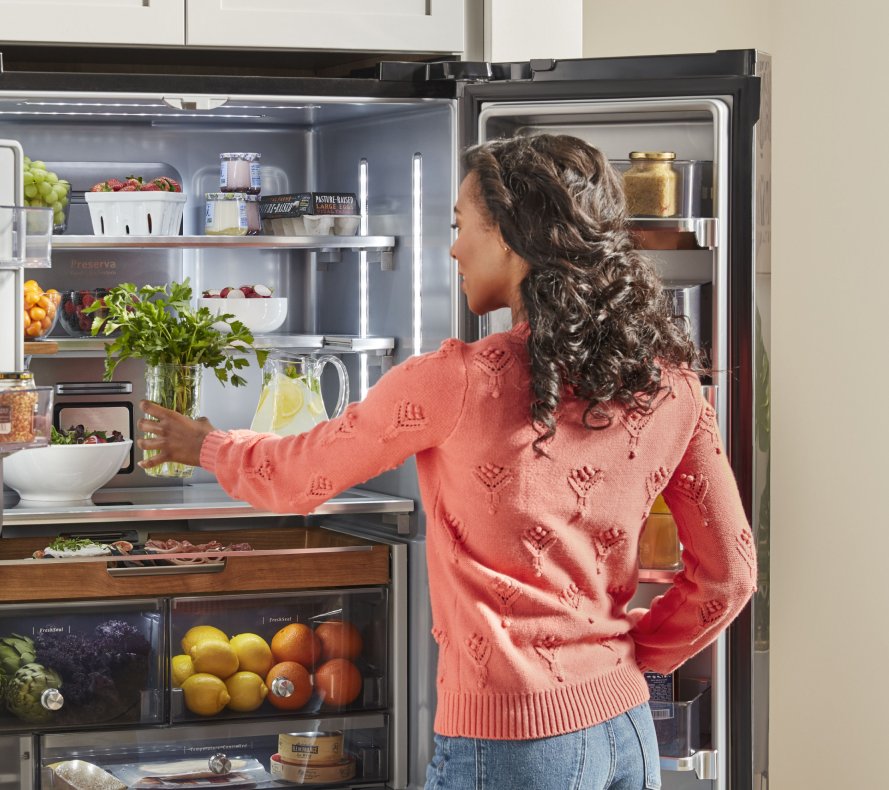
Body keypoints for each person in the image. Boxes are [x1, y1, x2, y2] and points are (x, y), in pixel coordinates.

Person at [137, 134, 756, 790]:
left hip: (514, 743)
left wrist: (205, 446)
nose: (453, 247)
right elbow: (730, 579)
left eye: (461, 226)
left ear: (512, 237)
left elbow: (298, 476)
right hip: (627, 729)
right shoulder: (672, 382)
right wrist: (627, 659)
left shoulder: (456, 381)